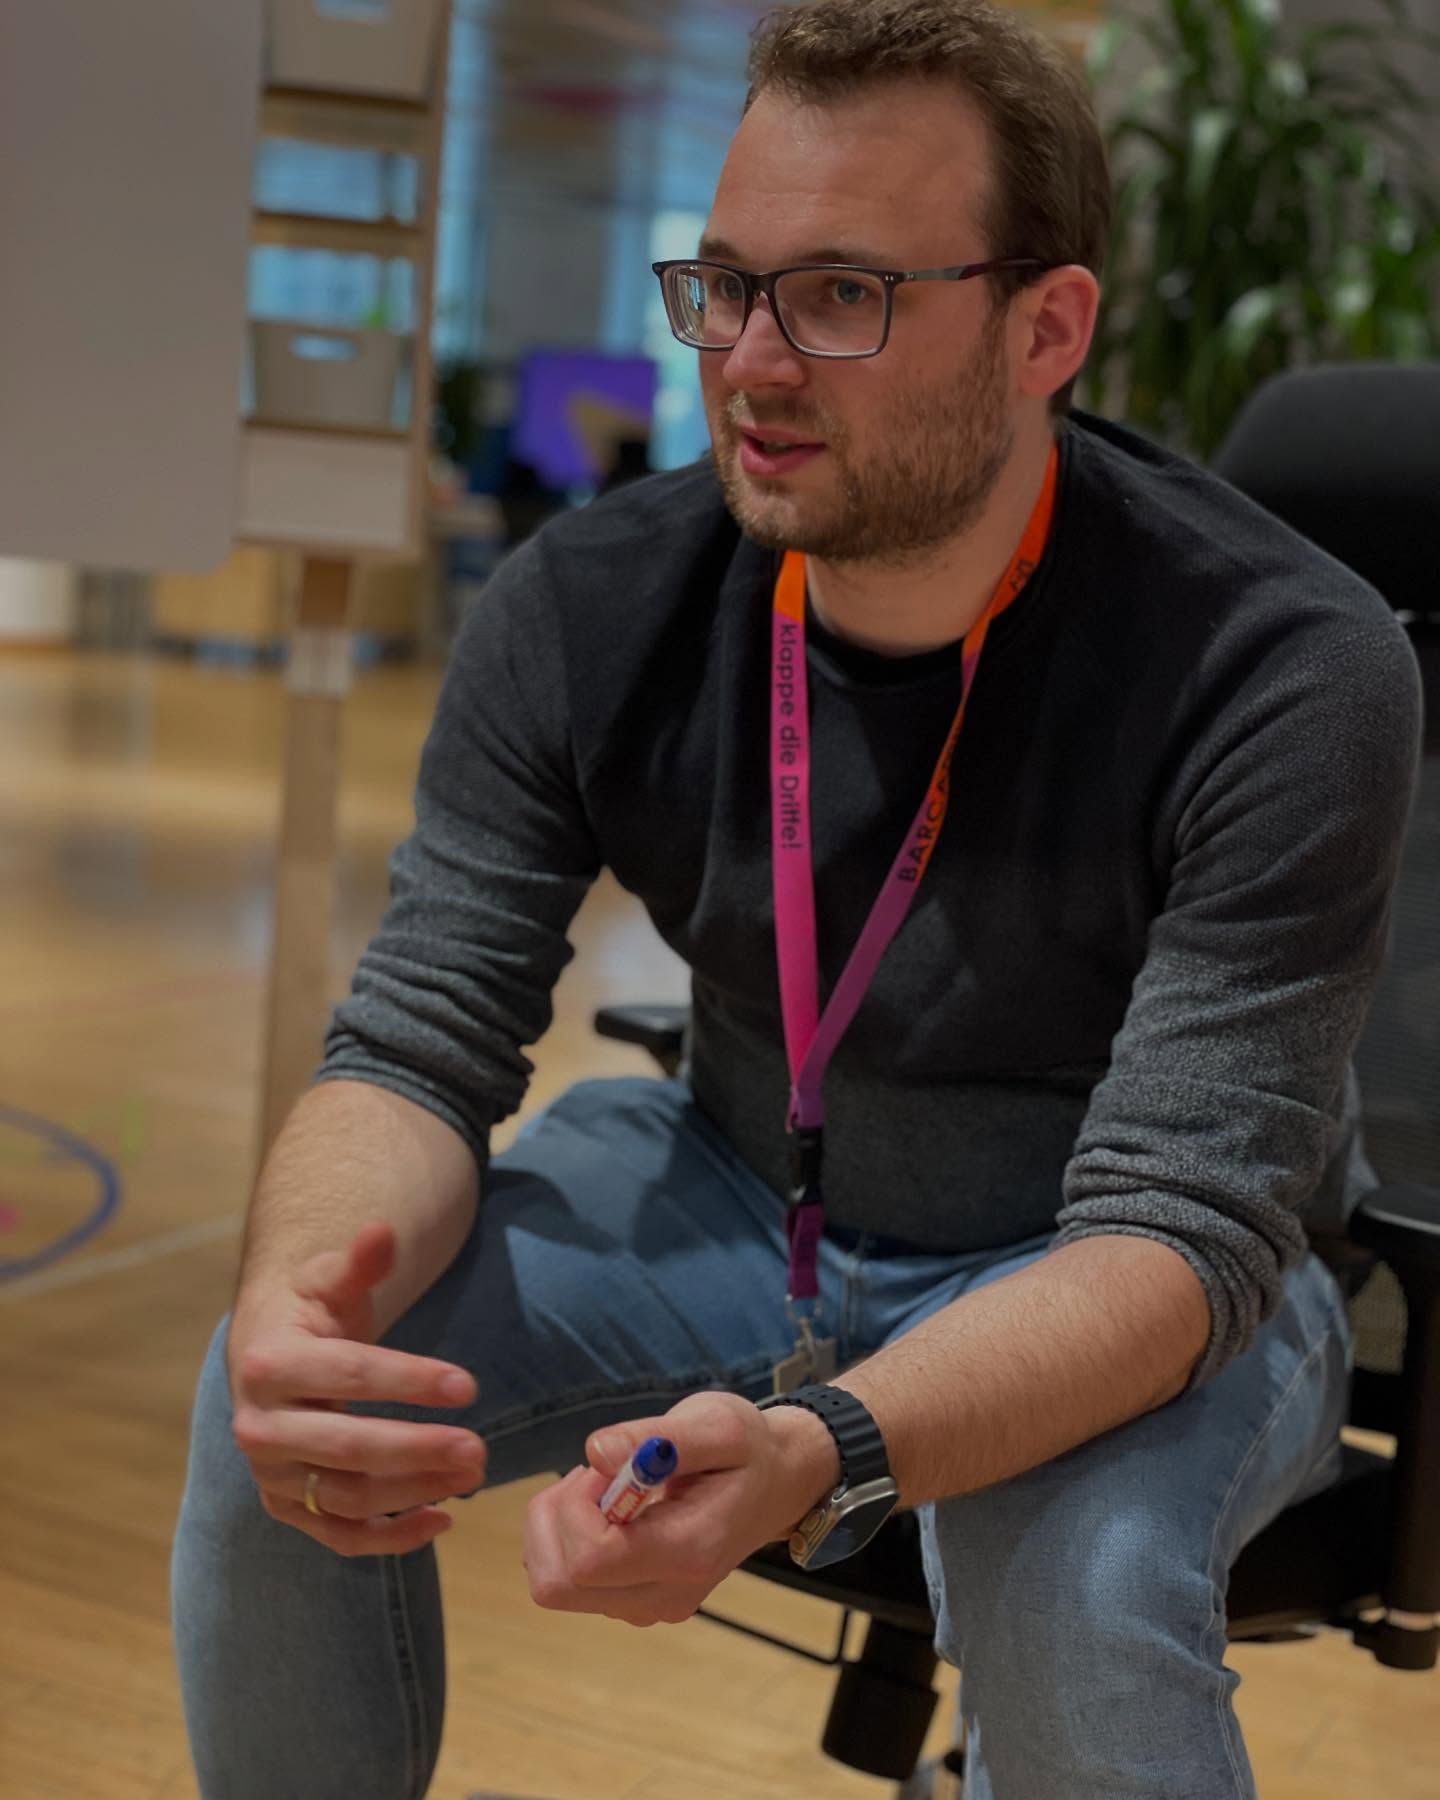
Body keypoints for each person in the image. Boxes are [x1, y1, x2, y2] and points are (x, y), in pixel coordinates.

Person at [170, 3, 1422, 1796]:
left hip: (1120, 1260)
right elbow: (417, 1037)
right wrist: (303, 1291)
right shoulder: (590, 600)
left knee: (1074, 1584)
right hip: (739, 1182)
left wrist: (830, 1441)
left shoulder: (1283, 664)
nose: (751, 362)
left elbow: (1181, 1229)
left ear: (1046, 327)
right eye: (728, 286)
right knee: (292, 1397)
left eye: (843, 294)